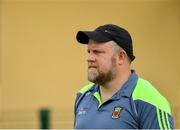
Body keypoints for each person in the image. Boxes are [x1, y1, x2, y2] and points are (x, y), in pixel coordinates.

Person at [74, 24, 174, 129]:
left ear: (120, 57)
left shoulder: (148, 99)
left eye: (97, 52)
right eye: (89, 52)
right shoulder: (83, 95)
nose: (89, 58)